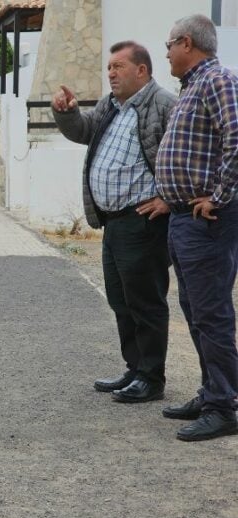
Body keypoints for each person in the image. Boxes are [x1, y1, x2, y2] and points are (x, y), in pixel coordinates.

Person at [52, 42, 176, 403]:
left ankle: (152, 377)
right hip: (113, 222)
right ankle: (135, 369)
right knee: (120, 300)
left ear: (142, 70)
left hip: (143, 222)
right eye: (109, 67)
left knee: (145, 301)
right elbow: (84, 131)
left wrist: (170, 197)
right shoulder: (111, 105)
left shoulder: (164, 105)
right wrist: (68, 113)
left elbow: (186, 154)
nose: (111, 73)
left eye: (119, 66)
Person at [140, 14, 238, 441]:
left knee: (212, 314)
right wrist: (171, 195)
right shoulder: (192, 87)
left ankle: (225, 404)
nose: (165, 54)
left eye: (168, 46)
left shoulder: (217, 80)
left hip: (207, 219)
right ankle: (212, 390)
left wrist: (219, 195)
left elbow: (237, 139)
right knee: (196, 312)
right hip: (183, 216)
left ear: (186, 43)